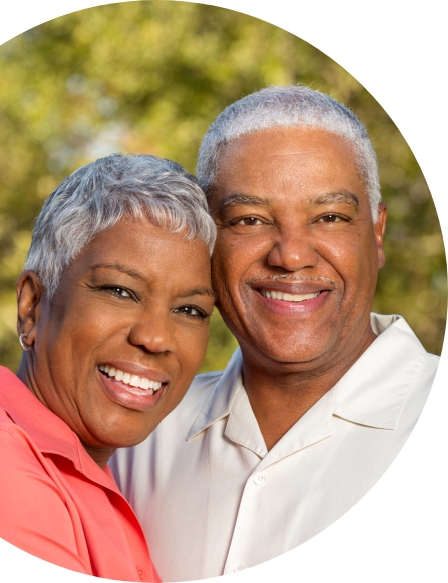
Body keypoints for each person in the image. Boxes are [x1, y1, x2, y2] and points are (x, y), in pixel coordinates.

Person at [110, 86, 440, 581]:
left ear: (376, 232)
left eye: (328, 217)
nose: (290, 255)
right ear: (207, 240)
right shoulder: (137, 435)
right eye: (250, 219)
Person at [0, 154, 217, 581]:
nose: (156, 338)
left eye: (189, 309)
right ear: (32, 306)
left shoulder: (92, 479)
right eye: (120, 291)